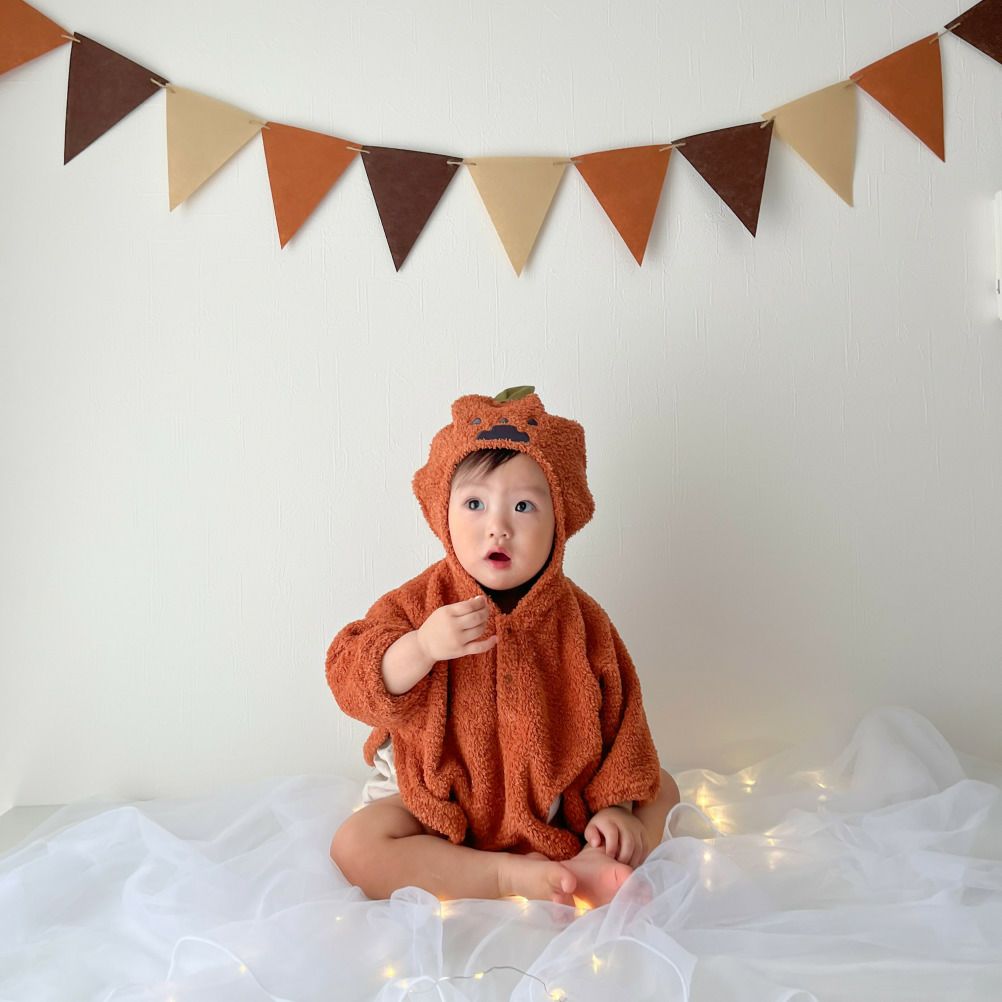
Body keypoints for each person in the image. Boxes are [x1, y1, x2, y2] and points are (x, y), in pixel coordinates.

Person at [326, 386, 680, 907]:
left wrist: (617, 809)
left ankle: (591, 860)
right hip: (437, 805)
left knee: (662, 788)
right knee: (355, 845)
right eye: (474, 503)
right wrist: (421, 648)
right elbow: (350, 674)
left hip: (555, 805)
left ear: (560, 520)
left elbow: (622, 719)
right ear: (442, 512)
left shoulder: (582, 621)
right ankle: (502, 877)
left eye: (523, 505)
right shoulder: (419, 605)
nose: (498, 527)